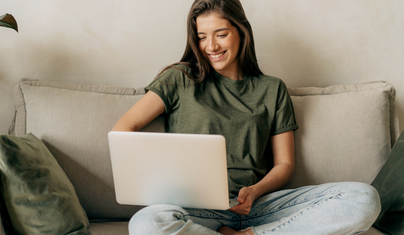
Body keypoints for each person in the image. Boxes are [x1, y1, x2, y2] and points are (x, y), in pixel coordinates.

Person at [112, 0, 381, 234]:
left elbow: (285, 164)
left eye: (221, 34)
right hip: (198, 210)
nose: (211, 46)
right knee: (146, 224)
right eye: (202, 36)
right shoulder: (180, 79)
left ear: (241, 32)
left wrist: (255, 191)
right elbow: (123, 129)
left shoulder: (272, 89)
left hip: (261, 206)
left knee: (364, 199)